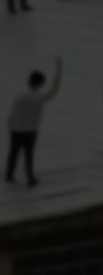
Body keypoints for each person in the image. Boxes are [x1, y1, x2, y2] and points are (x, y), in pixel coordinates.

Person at [6, 58, 61, 186]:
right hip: (30, 131)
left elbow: (12, 115)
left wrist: (11, 126)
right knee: (28, 155)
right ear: (40, 84)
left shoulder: (19, 96)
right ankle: (30, 178)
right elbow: (55, 88)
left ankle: (9, 175)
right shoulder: (40, 98)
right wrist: (59, 68)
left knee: (13, 153)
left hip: (16, 129)